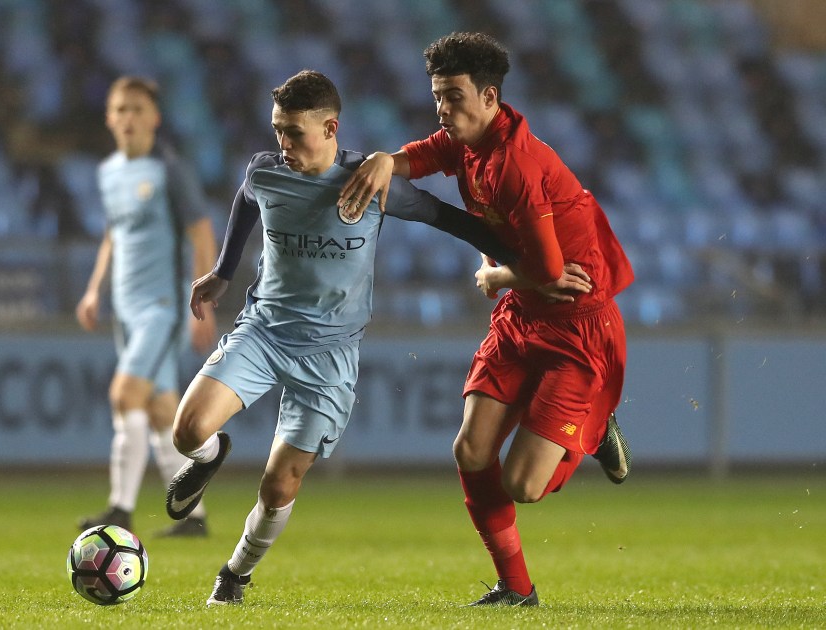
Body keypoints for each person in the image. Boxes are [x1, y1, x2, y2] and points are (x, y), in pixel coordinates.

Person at [163, 69, 589, 606]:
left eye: (294, 133)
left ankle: (235, 574)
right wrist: (224, 272)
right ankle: (207, 458)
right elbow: (248, 201)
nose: (283, 144)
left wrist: (530, 268)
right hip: (265, 332)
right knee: (186, 431)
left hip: (330, 356)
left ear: (331, 128)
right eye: (277, 132)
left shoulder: (370, 183)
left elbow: (454, 221)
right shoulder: (266, 171)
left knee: (277, 488)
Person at [338, 32, 634, 606]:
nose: (442, 109)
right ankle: (516, 589)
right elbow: (425, 154)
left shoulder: (517, 165)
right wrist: (385, 160)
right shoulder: (469, 142)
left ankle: (597, 429)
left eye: (453, 97)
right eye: (437, 97)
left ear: (490, 97)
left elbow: (550, 270)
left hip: (577, 325)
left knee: (523, 485)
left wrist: (494, 276)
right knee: (471, 453)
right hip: (523, 319)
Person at [76, 76, 219, 538]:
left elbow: (201, 232)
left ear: (155, 118)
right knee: (161, 414)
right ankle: (193, 519)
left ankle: (120, 510)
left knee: (124, 395)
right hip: (127, 309)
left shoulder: (168, 170)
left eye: (138, 109)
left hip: (162, 307)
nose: (129, 118)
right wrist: (95, 289)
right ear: (109, 117)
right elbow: (114, 234)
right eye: (121, 109)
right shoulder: (110, 173)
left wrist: (205, 301)